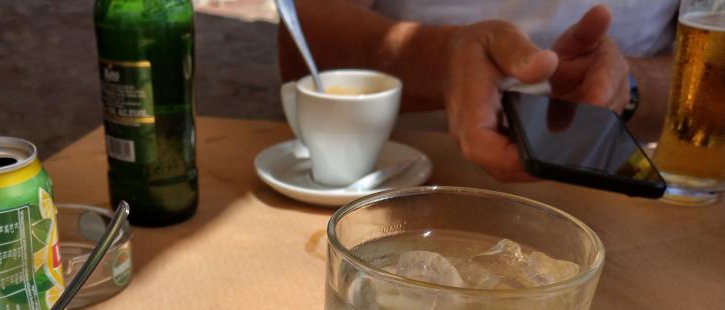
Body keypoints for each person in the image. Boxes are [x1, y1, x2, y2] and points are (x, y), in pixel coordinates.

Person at [278, 1, 677, 181]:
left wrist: (628, 86)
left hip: (616, 178)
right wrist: (445, 62)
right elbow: (303, 44)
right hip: (391, 172)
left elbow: (705, 80)